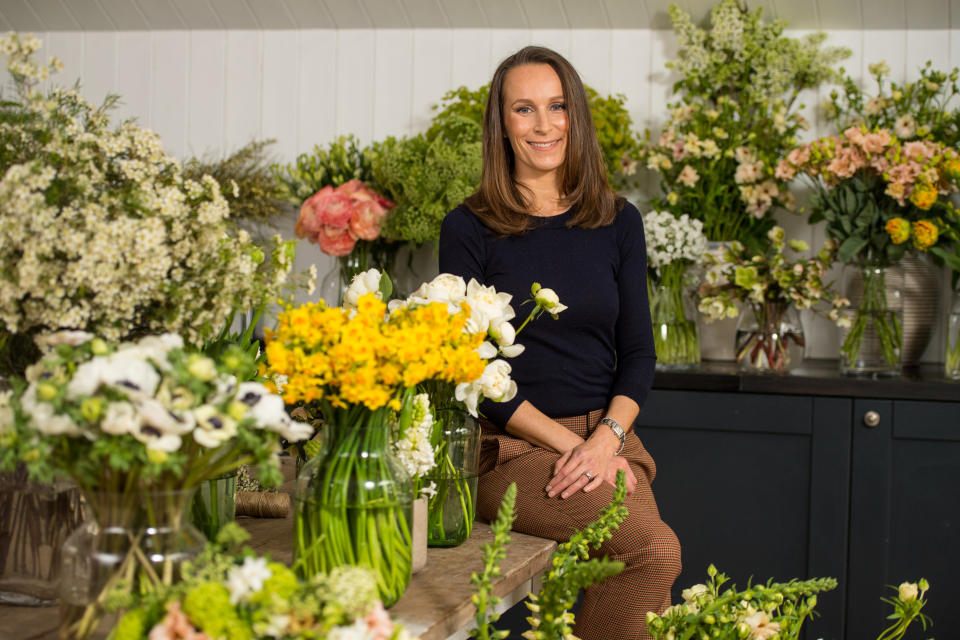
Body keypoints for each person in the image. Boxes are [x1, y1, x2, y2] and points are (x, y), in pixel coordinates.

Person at [438, 46, 681, 640]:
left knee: (641, 566)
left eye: (557, 106)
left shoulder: (618, 219)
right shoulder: (469, 226)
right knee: (655, 552)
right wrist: (575, 448)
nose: (544, 125)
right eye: (524, 109)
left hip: (610, 437)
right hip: (514, 450)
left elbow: (640, 354)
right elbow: (470, 369)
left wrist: (605, 440)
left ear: (577, 116)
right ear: (501, 123)